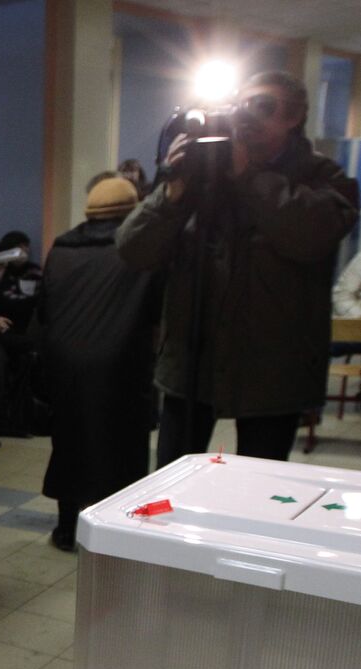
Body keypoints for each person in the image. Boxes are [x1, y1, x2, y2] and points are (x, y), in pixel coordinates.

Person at [118, 70, 359, 466]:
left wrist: (248, 176)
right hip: (190, 365)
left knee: (256, 492)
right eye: (241, 105)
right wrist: (173, 194)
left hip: (273, 375)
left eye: (263, 106)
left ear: (294, 116)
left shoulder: (323, 178)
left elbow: (311, 235)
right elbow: (133, 251)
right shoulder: (201, 175)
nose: (248, 116)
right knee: (173, 484)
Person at [36, 177, 161, 551]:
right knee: (120, 450)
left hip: (64, 364)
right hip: (120, 366)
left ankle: (65, 529)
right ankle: (113, 536)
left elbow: (44, 308)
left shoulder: (62, 247)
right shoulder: (140, 251)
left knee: (69, 445)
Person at [0, 230, 43, 437]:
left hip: (20, 330)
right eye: (18, 248)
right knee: (19, 351)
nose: (23, 252)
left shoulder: (34, 273)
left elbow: (34, 303)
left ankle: (16, 421)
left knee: (25, 353)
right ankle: (5, 421)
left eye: (25, 248)